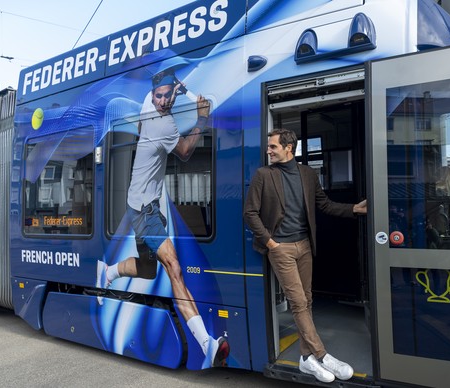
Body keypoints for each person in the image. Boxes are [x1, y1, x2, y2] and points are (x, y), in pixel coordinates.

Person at [96, 71, 229, 368]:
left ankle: (107, 272)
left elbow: (165, 92)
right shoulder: (163, 124)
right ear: (152, 95)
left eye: (168, 95)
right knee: (174, 266)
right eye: (159, 96)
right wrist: (202, 118)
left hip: (141, 203)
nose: (163, 101)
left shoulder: (149, 104)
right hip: (144, 208)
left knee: (146, 269)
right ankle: (205, 343)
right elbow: (184, 152)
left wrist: (177, 91)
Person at [244, 128, 367, 383]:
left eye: (273, 146)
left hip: (304, 245)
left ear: (289, 148)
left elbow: (324, 204)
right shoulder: (263, 175)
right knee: (298, 302)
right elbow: (250, 213)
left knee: (307, 301)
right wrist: (270, 242)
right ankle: (322, 356)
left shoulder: (308, 174)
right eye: (269, 146)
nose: (268, 150)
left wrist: (353, 208)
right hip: (281, 248)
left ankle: (304, 359)